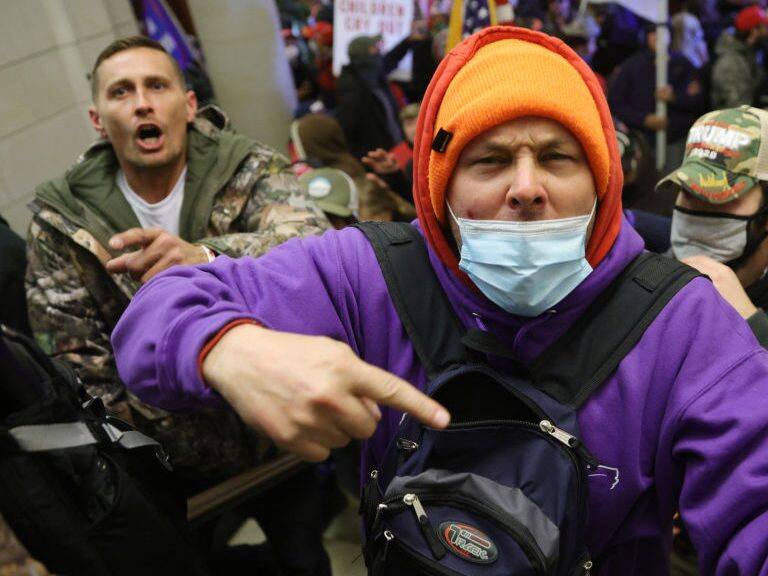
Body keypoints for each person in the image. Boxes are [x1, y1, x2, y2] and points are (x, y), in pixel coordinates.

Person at [113, 27, 768, 573]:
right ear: (437, 189)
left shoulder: (684, 326)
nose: (526, 187)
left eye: (557, 156)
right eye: (488, 160)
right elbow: (156, 310)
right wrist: (231, 348)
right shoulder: (367, 274)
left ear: (602, 181)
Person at [25, 36, 331, 574]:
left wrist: (209, 257)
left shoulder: (248, 168)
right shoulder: (63, 220)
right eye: (122, 91)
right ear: (99, 119)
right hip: (166, 468)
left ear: (188, 106)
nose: (142, 102)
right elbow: (77, 366)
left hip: (280, 437)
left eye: (157, 85)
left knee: (304, 557)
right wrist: (185, 415)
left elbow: (314, 249)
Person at [658, 105, 768, 347]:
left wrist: (751, 323)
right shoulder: (652, 280)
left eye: (719, 197)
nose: (698, 209)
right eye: (688, 191)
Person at [608, 22, 705, 172]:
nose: (658, 38)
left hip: (675, 139)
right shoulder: (631, 67)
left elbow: (698, 101)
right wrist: (644, 119)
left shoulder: (682, 64)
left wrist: (674, 98)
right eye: (653, 33)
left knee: (673, 182)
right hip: (643, 140)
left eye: (663, 33)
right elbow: (616, 103)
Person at [335, 34, 404, 159]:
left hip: (396, 152)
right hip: (378, 159)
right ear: (362, 56)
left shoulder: (377, 79)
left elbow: (393, 57)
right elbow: (348, 133)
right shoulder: (352, 91)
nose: (379, 54)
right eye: (374, 50)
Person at [710, 5, 768, 108]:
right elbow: (737, 110)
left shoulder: (750, 55)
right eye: (765, 28)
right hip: (734, 121)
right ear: (754, 32)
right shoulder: (730, 63)